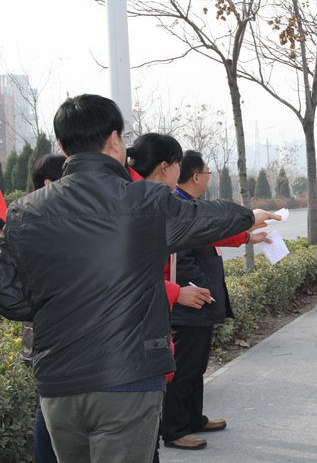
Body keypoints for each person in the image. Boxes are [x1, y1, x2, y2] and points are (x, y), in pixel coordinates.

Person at [0, 94, 280, 463]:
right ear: (114, 140)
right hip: (126, 376)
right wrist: (248, 216)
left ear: (63, 147)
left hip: (58, 383)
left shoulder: (24, 211)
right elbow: (201, 218)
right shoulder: (142, 199)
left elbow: (10, 297)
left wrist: (58, 304)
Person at [161, 151, 272, 451]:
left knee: (196, 366)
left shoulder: (190, 205)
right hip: (190, 302)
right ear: (197, 177)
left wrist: (247, 237)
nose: (210, 178)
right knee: (183, 368)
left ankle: (193, 418)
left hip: (200, 300)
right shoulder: (180, 208)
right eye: (208, 173)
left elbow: (211, 236)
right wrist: (206, 289)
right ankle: (174, 429)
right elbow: (182, 260)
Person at [20, 154, 67, 463]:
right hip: (50, 331)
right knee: (48, 405)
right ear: (49, 183)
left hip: (51, 330)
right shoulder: (38, 221)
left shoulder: (30, 216)